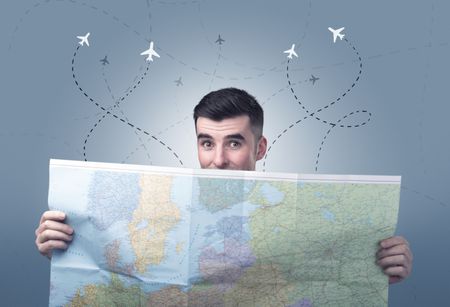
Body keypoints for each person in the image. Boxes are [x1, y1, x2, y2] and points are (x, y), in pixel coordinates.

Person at [35, 87, 412, 284]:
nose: (217, 159)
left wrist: (378, 269)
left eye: (234, 142)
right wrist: (69, 249)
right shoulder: (157, 212)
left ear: (260, 147)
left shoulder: (303, 216)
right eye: (206, 143)